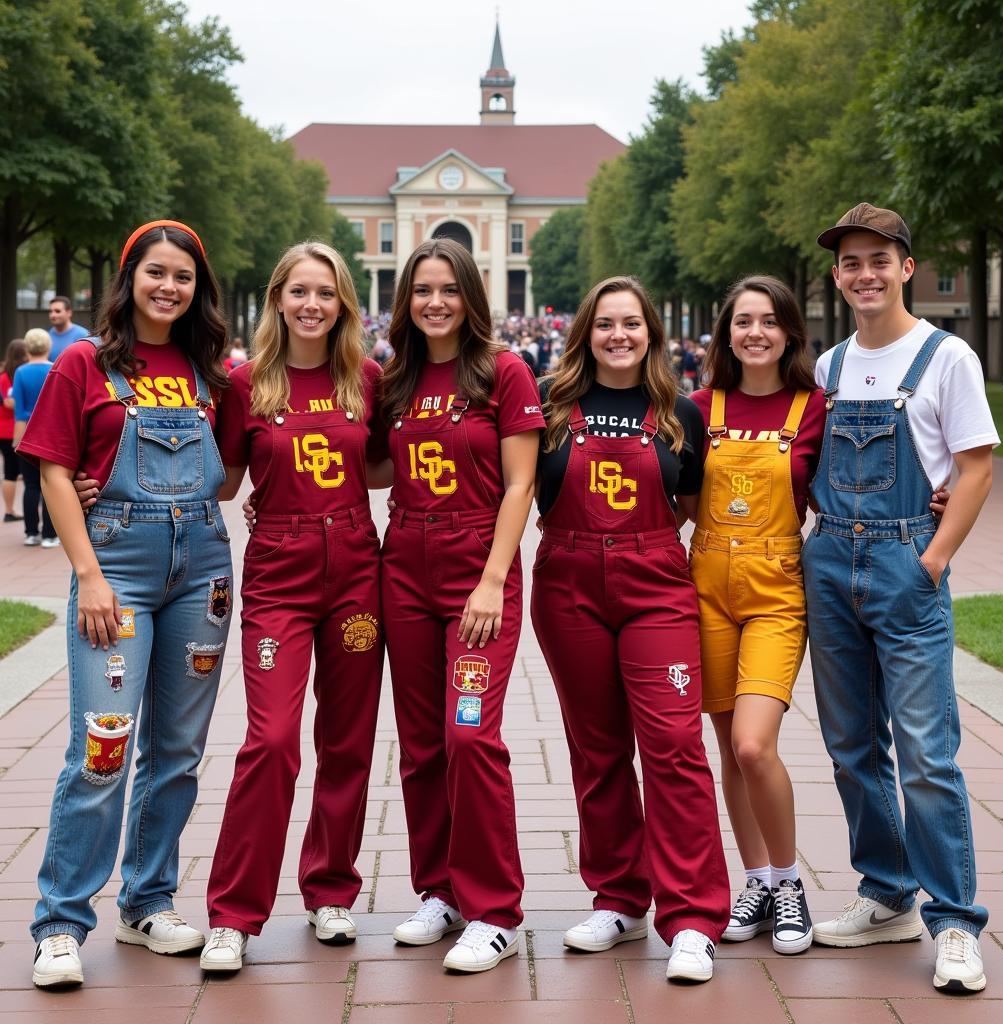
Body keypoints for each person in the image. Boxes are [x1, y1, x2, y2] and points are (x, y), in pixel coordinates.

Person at [19, 220, 232, 988]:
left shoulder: (215, 372)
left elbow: (229, 478)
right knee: (103, 745)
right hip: (118, 570)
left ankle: (148, 903)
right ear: (129, 278)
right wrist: (89, 573)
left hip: (202, 569)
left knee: (177, 750)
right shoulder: (84, 363)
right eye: (156, 273)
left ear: (196, 288)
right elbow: (51, 471)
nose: (169, 287)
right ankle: (60, 921)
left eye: (183, 276)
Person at [805, 204, 998, 993]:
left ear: (907, 267)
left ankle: (955, 921)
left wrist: (932, 560)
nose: (865, 275)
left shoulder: (946, 356)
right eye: (851, 263)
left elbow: (976, 465)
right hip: (830, 565)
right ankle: (887, 895)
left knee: (925, 751)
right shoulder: (831, 366)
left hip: (906, 564)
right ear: (839, 276)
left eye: (878, 260)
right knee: (852, 747)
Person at [532, 275, 730, 983]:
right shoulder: (550, 407)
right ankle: (619, 898)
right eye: (606, 323)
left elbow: (690, 502)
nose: (620, 335)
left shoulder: (682, 412)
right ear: (585, 331)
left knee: (674, 744)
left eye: (633, 324)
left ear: (651, 332)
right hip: (568, 584)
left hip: (656, 586)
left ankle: (696, 917)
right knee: (597, 748)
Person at [198, 242, 387, 972]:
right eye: (300, 291)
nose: (313, 304)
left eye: (327, 293)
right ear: (278, 297)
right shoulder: (245, 385)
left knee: (347, 739)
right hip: (278, 573)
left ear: (343, 304)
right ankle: (234, 915)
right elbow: (217, 479)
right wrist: (101, 480)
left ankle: (331, 889)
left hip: (355, 573)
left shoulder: (366, 379)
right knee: (271, 740)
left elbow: (380, 463)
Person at [380, 238, 544, 973]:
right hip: (404, 565)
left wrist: (491, 577)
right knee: (420, 744)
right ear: (406, 300)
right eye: (422, 290)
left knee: (469, 735)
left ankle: (496, 910)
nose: (435, 302)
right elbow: (359, 458)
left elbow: (520, 484)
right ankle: (439, 890)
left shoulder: (503, 371)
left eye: (448, 289)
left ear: (471, 295)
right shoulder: (395, 377)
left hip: (478, 565)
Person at [689, 276, 826, 957]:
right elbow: (675, 492)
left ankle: (791, 880)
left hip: (776, 589)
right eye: (743, 321)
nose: (755, 333)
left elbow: (852, 487)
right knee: (727, 752)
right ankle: (757, 881)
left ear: (790, 333)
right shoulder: (698, 405)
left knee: (753, 743)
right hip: (707, 583)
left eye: (769, 321)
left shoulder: (815, 407)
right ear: (726, 333)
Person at [12, 329, 58, 546]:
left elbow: (19, 411)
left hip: (27, 433)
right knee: (53, 483)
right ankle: (50, 535)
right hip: (51, 433)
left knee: (31, 485)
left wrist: (16, 440)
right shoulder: (55, 370)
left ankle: (31, 533)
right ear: (48, 347)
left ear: (27, 348)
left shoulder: (20, 372)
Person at [1, 338, 27, 522]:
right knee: (15, 472)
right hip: (14, 430)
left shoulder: (4, 376)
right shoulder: (17, 375)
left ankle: (10, 510)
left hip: (6, 431)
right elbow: (9, 403)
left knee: (11, 472)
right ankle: (10, 511)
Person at [48, 296, 90, 361]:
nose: (53, 315)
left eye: (57, 311)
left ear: (69, 313)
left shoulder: (84, 335)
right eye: (51, 311)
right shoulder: (48, 335)